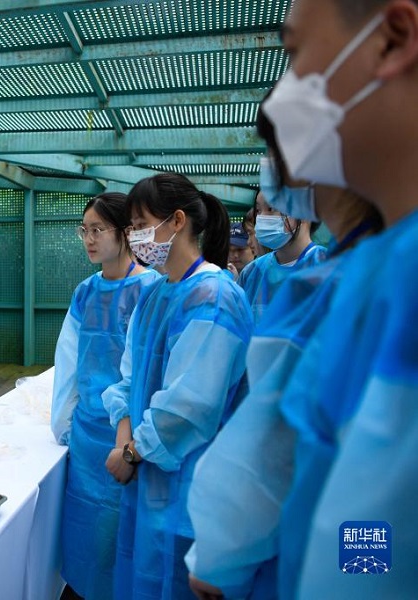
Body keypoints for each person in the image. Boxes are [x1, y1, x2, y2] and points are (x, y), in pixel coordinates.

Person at [184, 96, 383, 600]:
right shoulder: (271, 277)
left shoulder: (341, 280)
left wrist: (221, 553)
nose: (263, 214)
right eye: (259, 209)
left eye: (273, 204)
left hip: (346, 510)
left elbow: (373, 474)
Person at [257, 1, 418, 597]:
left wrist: (356, 582)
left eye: (295, 54)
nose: (281, 98)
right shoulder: (386, 266)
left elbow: (375, 525)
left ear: (392, 38)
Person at [101, 173, 253, 599]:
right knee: (145, 577)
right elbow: (128, 380)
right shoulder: (155, 295)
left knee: (178, 581)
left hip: (192, 487)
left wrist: (132, 452)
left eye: (139, 223)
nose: (134, 236)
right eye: (130, 226)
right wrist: (124, 434)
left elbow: (190, 405)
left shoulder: (214, 296)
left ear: (178, 221)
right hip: (146, 482)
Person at [51, 193, 160, 600]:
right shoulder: (85, 292)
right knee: (82, 532)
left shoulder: (151, 289)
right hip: (86, 435)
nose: (88, 239)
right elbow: (68, 363)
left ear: (126, 233)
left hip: (129, 438)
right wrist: (62, 424)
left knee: (122, 535)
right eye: (84, 230)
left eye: (98, 229)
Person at [237, 189, 326, 324]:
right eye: (259, 211)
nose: (262, 218)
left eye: (271, 208)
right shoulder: (251, 273)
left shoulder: (328, 266)